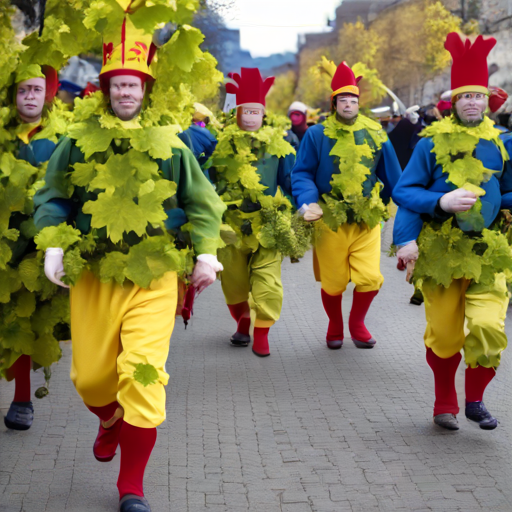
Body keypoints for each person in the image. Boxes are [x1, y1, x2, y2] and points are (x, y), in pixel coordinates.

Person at [33, 5, 225, 511]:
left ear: (146, 89)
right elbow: (52, 194)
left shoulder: (172, 142)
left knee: (142, 373)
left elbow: (201, 201)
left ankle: (131, 486)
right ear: (105, 87)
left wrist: (206, 254)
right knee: (91, 378)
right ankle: (109, 419)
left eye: (134, 84)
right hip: (95, 272)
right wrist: (54, 240)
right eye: (118, 83)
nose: (125, 92)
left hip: (153, 273)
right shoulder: (77, 140)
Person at [393, 33, 512, 431]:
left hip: (487, 253)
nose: (473, 103)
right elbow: (405, 192)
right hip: (442, 252)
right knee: (444, 337)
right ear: (454, 102)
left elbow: (507, 188)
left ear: (488, 100)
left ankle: (474, 400)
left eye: (479, 96)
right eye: (466, 97)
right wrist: (439, 205)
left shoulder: (501, 142)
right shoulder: (429, 144)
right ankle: (445, 399)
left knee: (488, 327)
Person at [292, 61, 401, 350]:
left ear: (358, 103)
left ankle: (357, 323)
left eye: (353, 100)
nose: (349, 105)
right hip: (329, 218)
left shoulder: (377, 133)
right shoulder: (317, 134)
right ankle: (335, 324)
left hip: (367, 218)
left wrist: (406, 212)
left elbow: (393, 177)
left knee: (370, 278)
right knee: (334, 281)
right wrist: (307, 203)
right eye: (343, 100)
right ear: (334, 103)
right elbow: (302, 172)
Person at [211, 68, 304, 357]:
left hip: (267, 225)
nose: (251, 117)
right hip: (231, 227)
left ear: (264, 115)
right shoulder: (221, 148)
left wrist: (292, 208)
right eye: (245, 112)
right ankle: (243, 320)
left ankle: (261, 333)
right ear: (237, 114)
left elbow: (292, 182)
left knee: (268, 284)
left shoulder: (281, 148)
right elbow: (207, 183)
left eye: (256, 112)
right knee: (234, 284)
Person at [1, 63, 70, 431]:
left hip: (38, 245)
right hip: (2, 238)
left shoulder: (63, 137)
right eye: (23, 90)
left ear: (49, 95)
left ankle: (22, 397)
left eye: (37, 90)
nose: (30, 97)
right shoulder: (3, 132)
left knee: (22, 322)